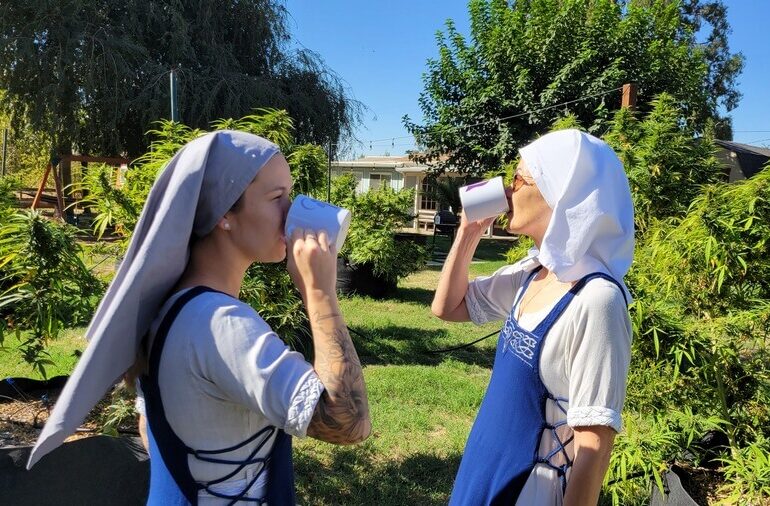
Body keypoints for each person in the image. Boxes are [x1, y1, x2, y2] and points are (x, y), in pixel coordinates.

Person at [28, 131, 370, 504]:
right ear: (225, 214)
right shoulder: (221, 324)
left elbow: (150, 427)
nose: (292, 212)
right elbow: (348, 422)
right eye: (277, 198)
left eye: (290, 194)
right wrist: (319, 292)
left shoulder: (167, 305)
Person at [432, 129, 634, 505]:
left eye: (519, 178)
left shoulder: (597, 301)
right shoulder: (533, 272)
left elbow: (594, 445)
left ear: (559, 194)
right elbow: (448, 307)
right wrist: (467, 234)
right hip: (483, 469)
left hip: (527, 491)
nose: (508, 191)